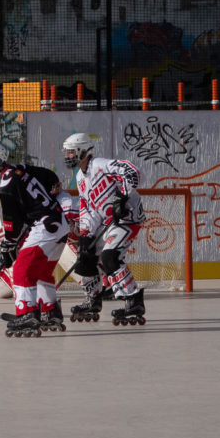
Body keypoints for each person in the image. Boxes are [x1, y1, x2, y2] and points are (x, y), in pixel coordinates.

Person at [0, 143, 70, 336]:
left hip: (45, 227)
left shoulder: (5, 187)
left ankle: (26, 314)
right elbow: (47, 175)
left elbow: (12, 221)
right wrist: (53, 185)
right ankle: (50, 311)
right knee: (42, 272)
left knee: (20, 269)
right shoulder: (20, 168)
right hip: (59, 223)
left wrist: (9, 243)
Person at [62, 131, 147, 325]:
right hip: (108, 223)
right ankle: (93, 300)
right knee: (85, 255)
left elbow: (132, 170)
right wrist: (86, 233)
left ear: (82, 151)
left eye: (70, 152)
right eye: (66, 152)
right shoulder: (81, 178)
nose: (66, 156)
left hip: (127, 218)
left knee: (110, 256)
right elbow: (88, 207)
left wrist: (122, 197)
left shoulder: (101, 165)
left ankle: (133, 300)